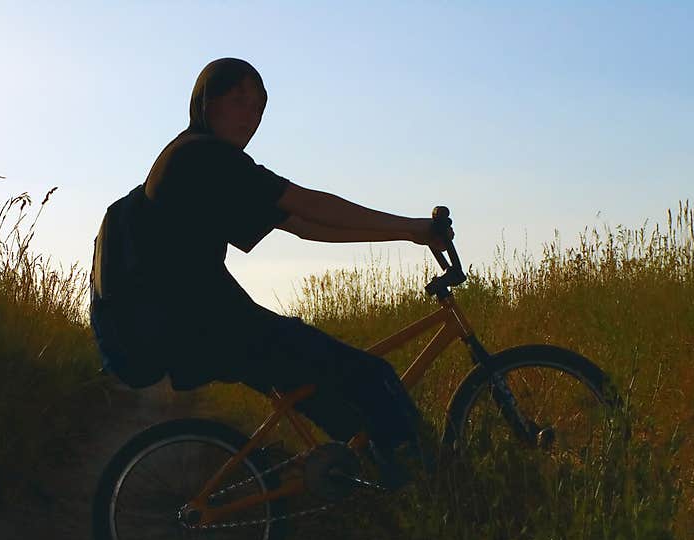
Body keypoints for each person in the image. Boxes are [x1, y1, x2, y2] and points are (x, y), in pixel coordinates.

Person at [90, 57, 454, 489]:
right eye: (239, 100)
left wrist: (405, 235)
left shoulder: (195, 160)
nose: (250, 116)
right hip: (208, 325)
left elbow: (304, 227)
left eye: (259, 107)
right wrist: (413, 227)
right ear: (206, 103)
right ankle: (437, 487)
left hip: (200, 324)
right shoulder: (203, 156)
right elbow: (309, 206)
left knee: (338, 403)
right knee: (373, 377)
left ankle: (372, 482)